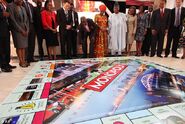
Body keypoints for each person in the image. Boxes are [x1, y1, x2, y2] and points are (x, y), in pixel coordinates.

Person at [7, 0, 29, 67]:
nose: (21, 1)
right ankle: (21, 61)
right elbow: (12, 20)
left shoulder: (23, 7)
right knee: (19, 46)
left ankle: (24, 60)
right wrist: (21, 30)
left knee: (24, 46)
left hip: (24, 29)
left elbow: (27, 19)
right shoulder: (10, 6)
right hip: (17, 30)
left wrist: (27, 29)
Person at [0, 0, 16, 72]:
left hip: (6, 28)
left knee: (7, 47)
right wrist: (2, 14)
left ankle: (7, 63)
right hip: (1, 29)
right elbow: (2, 14)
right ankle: (3, 65)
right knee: (2, 48)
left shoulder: (3, 4)